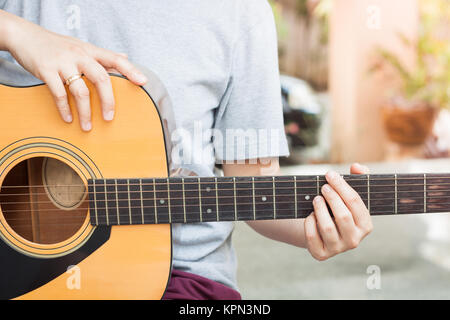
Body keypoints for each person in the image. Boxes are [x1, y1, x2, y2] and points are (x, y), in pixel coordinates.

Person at [0, 1, 372, 299]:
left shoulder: (240, 12)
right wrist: (14, 31)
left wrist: (322, 222)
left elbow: (254, 188)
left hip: (180, 280)